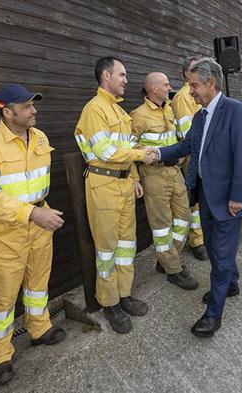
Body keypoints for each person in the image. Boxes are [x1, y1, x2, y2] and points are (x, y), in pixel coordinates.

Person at [147, 58, 242, 337]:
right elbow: (188, 145)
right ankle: (231, 283)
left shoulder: (235, 110)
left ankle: (214, 316)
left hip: (228, 198)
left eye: (194, 85)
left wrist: (237, 197)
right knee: (213, 246)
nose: (190, 92)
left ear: (211, 84)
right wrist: (159, 153)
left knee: (221, 256)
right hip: (206, 196)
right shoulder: (200, 117)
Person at [0, 84, 66, 386]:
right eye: (26, 106)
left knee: (38, 283)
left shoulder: (40, 137)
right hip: (6, 230)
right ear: (8, 112)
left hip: (39, 223)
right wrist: (33, 213)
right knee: (2, 296)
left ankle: (39, 329)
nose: (34, 110)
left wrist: (39, 211)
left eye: (33, 105)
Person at [74, 56, 152, 334]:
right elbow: (106, 152)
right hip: (103, 186)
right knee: (107, 250)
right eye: (122, 75)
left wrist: (133, 177)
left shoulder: (119, 112)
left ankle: (124, 294)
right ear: (106, 76)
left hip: (121, 184)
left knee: (126, 245)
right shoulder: (94, 110)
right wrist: (143, 155)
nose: (126, 80)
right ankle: (109, 303)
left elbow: (125, 150)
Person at [130, 72, 199, 290]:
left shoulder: (169, 109)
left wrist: (180, 152)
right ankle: (173, 269)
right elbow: (129, 149)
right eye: (165, 84)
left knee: (183, 218)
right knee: (161, 226)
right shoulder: (138, 115)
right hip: (153, 176)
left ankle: (168, 259)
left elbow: (179, 138)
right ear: (152, 88)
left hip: (174, 173)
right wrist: (135, 176)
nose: (170, 86)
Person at [171, 56, 208, 261]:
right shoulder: (184, 96)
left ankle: (200, 236)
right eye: (195, 68)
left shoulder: (197, 92)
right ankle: (196, 241)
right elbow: (188, 133)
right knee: (194, 203)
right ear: (186, 74)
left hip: (200, 153)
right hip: (192, 156)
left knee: (200, 201)